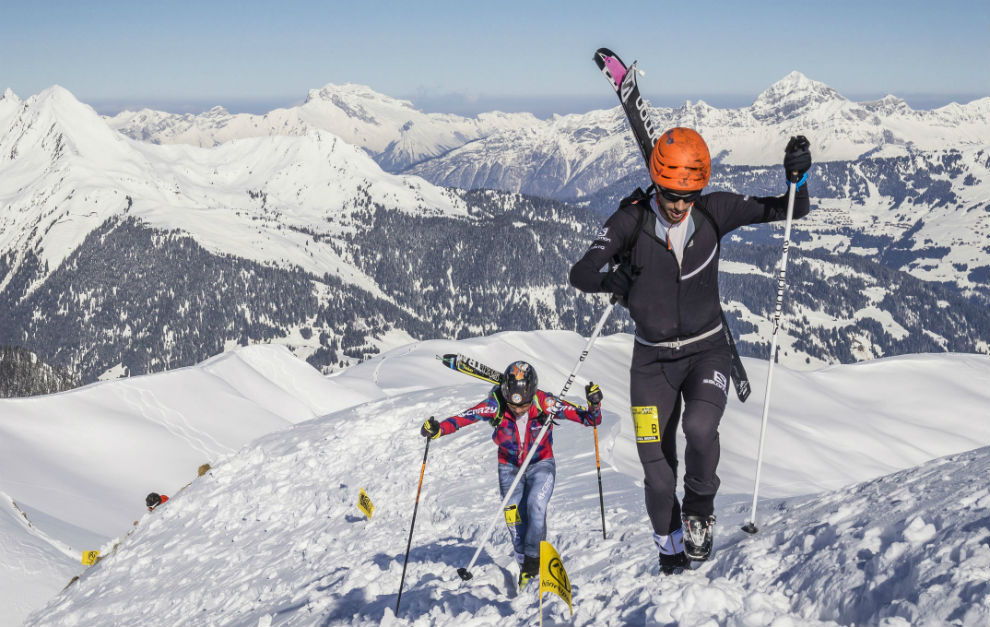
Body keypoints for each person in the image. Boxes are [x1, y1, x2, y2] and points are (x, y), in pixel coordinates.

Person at [569, 128, 812, 574]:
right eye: (670, 194)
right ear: (656, 184)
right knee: (658, 476)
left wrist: (796, 178)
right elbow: (580, 272)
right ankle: (668, 543)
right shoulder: (632, 220)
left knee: (701, 429)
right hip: (651, 363)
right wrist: (610, 280)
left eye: (688, 195)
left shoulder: (714, 209)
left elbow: (791, 208)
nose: (679, 205)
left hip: (707, 351)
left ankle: (699, 511)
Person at [421, 360, 604, 587]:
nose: (518, 410)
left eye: (524, 406)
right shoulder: (495, 404)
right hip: (509, 467)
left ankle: (533, 565)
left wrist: (594, 404)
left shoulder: (545, 402)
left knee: (536, 506)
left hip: (541, 463)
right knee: (514, 521)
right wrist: (439, 430)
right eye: (513, 406)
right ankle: (522, 567)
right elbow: (464, 417)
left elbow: (591, 419)